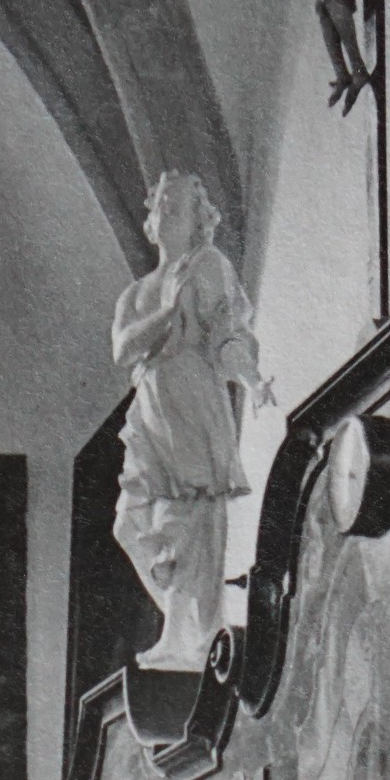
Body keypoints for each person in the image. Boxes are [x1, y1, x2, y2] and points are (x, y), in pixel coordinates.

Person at [111, 170, 272, 673]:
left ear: (198, 220)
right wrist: (167, 314)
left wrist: (251, 380)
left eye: (176, 206)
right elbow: (122, 349)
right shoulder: (138, 292)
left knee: (188, 521)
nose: (165, 213)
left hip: (192, 400)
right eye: (160, 204)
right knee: (129, 522)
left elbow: (228, 336)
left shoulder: (208, 266)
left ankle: (188, 637)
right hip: (151, 408)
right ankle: (186, 625)